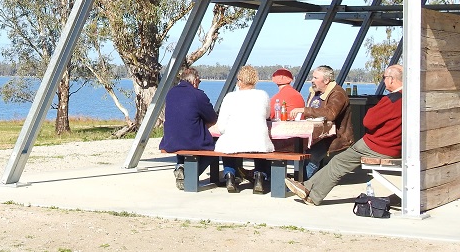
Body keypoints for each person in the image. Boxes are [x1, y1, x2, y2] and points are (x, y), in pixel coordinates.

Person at [285, 65, 403, 205]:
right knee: (335, 160)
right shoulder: (409, 98)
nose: (383, 81)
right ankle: (307, 187)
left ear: (392, 80)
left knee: (337, 162)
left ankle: (312, 193)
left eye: (384, 78)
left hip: (377, 145)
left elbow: (368, 121)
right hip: (395, 146)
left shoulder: (391, 100)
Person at [213, 66, 273, 194]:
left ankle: (229, 175)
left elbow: (222, 125)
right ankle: (259, 177)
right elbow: (267, 115)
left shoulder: (230, 97)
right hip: (257, 140)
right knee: (260, 149)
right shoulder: (262, 95)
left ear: (239, 81)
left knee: (227, 147)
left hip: (234, 139)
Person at [288, 65, 353, 179]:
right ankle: (297, 179)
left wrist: (304, 110)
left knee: (313, 156)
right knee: (292, 149)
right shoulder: (315, 92)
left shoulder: (338, 93)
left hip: (333, 136)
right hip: (315, 135)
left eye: (315, 78)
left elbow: (330, 114)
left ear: (326, 80)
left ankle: (302, 183)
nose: (312, 80)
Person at [159, 67, 218, 190]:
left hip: (170, 140)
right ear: (194, 80)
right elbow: (212, 118)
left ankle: (180, 165)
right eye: (199, 81)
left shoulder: (171, 93)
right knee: (214, 151)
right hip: (191, 139)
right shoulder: (198, 95)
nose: (199, 84)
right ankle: (189, 175)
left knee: (182, 137)